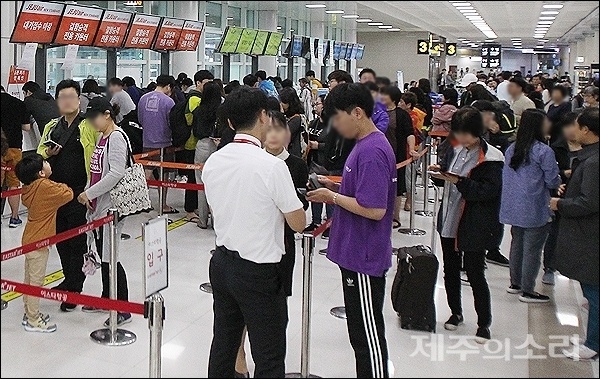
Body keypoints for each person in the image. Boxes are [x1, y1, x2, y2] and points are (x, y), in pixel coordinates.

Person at [202, 87, 305, 378]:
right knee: (269, 354)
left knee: (224, 343)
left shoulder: (214, 162)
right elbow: (298, 222)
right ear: (263, 116)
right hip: (259, 272)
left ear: (231, 123)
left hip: (221, 264)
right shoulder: (272, 166)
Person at [306, 83, 395, 378]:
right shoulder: (364, 145)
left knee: (367, 337)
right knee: (359, 333)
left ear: (357, 113)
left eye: (339, 117)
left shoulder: (371, 150)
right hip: (356, 254)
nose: (336, 125)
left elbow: (375, 209)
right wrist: (335, 187)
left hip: (364, 257)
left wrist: (332, 198)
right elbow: (362, 193)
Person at [430, 107, 504, 343]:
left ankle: (484, 323)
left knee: (474, 273)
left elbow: (486, 192)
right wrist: (439, 176)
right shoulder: (454, 150)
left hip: (473, 222)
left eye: (464, 134)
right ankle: (455, 312)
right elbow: (450, 180)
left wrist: (458, 181)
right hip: (450, 217)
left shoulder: (491, 157)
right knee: (450, 269)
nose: (459, 139)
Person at [36, 79, 99, 312]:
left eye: (71, 96)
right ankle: (69, 278)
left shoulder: (89, 125)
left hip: (80, 192)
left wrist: (92, 189)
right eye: (62, 97)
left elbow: (97, 156)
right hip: (56, 194)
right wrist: (47, 153)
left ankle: (75, 287)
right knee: (61, 238)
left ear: (80, 99)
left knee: (77, 241)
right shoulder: (52, 126)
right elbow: (41, 153)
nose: (67, 101)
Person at [77, 97, 132, 326]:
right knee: (103, 254)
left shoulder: (117, 137)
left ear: (107, 114)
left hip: (113, 206)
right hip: (100, 204)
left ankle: (123, 307)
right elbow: (96, 170)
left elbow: (116, 173)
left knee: (111, 257)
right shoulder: (102, 137)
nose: (92, 122)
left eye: (94, 117)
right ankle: (106, 298)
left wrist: (90, 194)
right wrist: (90, 192)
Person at [551, 107, 599, 361]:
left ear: (587, 131)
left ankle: (593, 343)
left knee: (594, 291)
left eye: (577, 126)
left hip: (589, 234)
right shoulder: (588, 159)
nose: (572, 130)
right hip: (586, 233)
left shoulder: (593, 162)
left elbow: (589, 202)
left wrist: (561, 204)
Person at [500, 109, 561, 303]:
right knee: (533, 249)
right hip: (535, 205)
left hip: (513, 205)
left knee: (517, 244)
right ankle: (528, 289)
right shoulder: (543, 151)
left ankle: (515, 283)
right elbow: (552, 180)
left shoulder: (512, 149)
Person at [15, 154, 73, 332]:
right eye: (45, 163)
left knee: (29, 279)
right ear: (40, 172)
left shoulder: (29, 188)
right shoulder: (45, 186)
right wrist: (59, 184)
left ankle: (28, 312)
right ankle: (33, 319)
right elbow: (68, 194)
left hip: (30, 237)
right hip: (39, 241)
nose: (48, 164)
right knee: (36, 282)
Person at [542, 113, 581, 286]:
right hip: (561, 193)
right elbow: (550, 172)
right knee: (555, 231)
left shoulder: (590, 149)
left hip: (581, 194)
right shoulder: (557, 147)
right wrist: (563, 174)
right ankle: (549, 267)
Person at [175, 70, 215, 224]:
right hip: (192, 142)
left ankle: (196, 207)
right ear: (198, 83)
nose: (209, 85)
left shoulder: (200, 97)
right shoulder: (194, 98)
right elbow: (197, 116)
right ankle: (189, 209)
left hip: (197, 142)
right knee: (192, 177)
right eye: (206, 82)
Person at [137, 75, 177, 214]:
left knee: (145, 174)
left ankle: (140, 202)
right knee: (164, 175)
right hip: (164, 142)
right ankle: (163, 204)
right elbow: (171, 123)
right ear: (168, 87)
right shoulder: (169, 102)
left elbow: (140, 119)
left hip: (147, 140)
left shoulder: (143, 99)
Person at [380, 85, 416, 227]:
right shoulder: (376, 112)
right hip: (378, 154)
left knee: (396, 185)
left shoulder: (401, 114)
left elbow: (409, 133)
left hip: (396, 155)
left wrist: (412, 149)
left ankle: (395, 217)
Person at [192, 81, 221, 229]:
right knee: (218, 185)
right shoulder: (223, 110)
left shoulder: (199, 110)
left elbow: (195, 131)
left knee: (201, 184)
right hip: (219, 147)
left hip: (202, 145)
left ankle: (202, 220)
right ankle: (217, 222)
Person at [1, 86, 31, 228]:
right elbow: (27, 127)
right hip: (14, 148)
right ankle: (14, 217)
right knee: (13, 184)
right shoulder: (18, 103)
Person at [306, 95, 333, 231]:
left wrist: (319, 146)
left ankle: (330, 224)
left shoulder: (334, 125)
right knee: (314, 191)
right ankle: (315, 221)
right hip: (314, 163)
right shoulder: (314, 123)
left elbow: (337, 144)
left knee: (329, 194)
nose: (315, 106)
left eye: (318, 104)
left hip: (328, 165)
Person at [399, 92, 426, 211]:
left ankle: (409, 200)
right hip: (402, 149)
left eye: (401, 102)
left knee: (408, 177)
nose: (399, 104)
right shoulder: (402, 114)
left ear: (408, 104)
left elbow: (410, 133)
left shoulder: (413, 117)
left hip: (411, 150)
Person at [280, 87, 306, 158]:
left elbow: (282, 134)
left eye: (284, 102)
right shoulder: (289, 117)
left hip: (294, 154)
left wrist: (280, 113)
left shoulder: (296, 119)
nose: (281, 104)